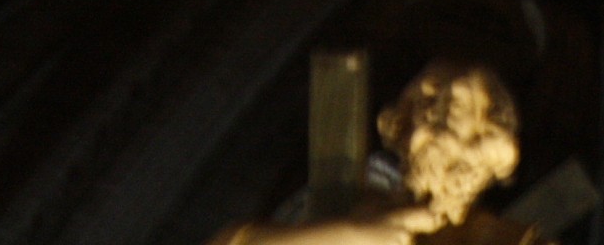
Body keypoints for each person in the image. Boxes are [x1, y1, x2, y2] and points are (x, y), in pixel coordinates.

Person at [213, 61, 532, 245]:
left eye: (450, 105)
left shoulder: (500, 239)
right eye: (421, 100)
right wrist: (350, 235)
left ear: (490, 145)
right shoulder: (352, 200)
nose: (425, 117)